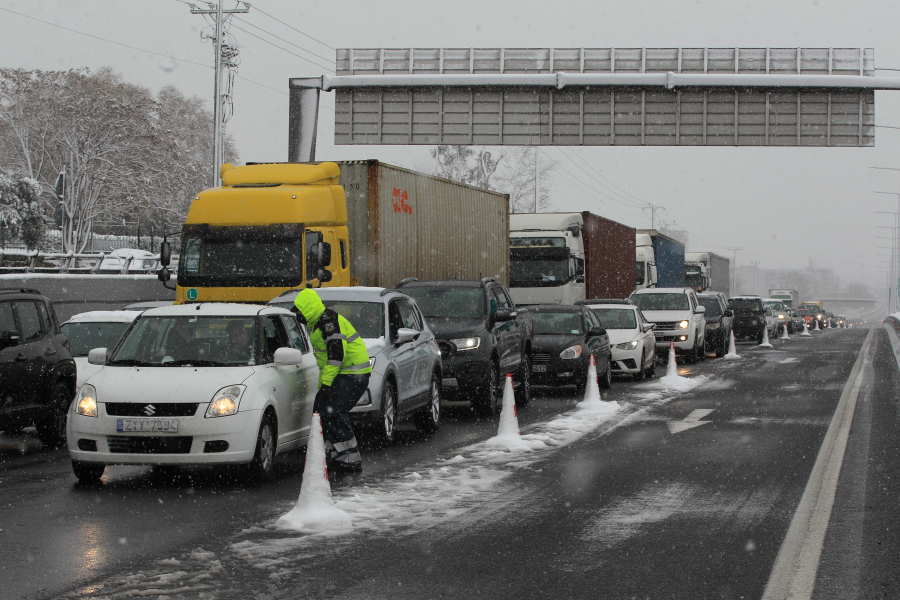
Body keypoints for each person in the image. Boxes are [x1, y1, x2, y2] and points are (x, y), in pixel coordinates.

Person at [292, 288, 372, 474]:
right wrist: (323, 387)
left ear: (308, 309)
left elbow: (336, 356)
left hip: (352, 374)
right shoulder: (316, 324)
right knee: (320, 412)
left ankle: (350, 460)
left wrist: (326, 385)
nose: (299, 317)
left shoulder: (328, 322)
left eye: (300, 312)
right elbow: (325, 362)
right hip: (343, 374)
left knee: (334, 411)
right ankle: (332, 453)